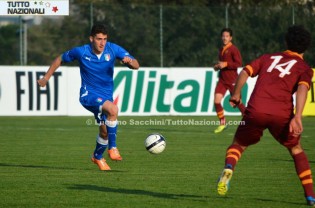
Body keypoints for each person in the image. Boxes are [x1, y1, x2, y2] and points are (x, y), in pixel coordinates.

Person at [216, 25, 315, 206]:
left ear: (286, 42)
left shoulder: (268, 58)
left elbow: (245, 71)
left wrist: (237, 94)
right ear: (307, 47)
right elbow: (302, 88)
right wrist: (298, 115)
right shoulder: (304, 68)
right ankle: (310, 196)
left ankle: (229, 168)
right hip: (282, 115)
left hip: (256, 110)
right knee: (296, 150)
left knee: (239, 144)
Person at [37, 23, 140, 171]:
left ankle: (97, 157)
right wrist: (46, 78)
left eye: (104, 39)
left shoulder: (113, 49)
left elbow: (137, 65)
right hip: (88, 95)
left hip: (105, 96)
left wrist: (129, 62)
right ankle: (113, 148)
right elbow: (59, 59)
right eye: (99, 39)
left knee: (104, 131)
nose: (102, 42)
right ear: (91, 39)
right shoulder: (81, 51)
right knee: (113, 109)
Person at [213, 28, 246, 134]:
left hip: (232, 80)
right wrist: (218, 66)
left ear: (231, 38)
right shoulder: (221, 49)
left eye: (227, 36)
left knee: (238, 103)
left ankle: (250, 123)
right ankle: (222, 123)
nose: (224, 38)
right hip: (222, 80)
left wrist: (226, 64)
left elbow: (239, 63)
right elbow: (222, 64)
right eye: (223, 36)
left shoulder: (233, 49)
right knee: (216, 101)